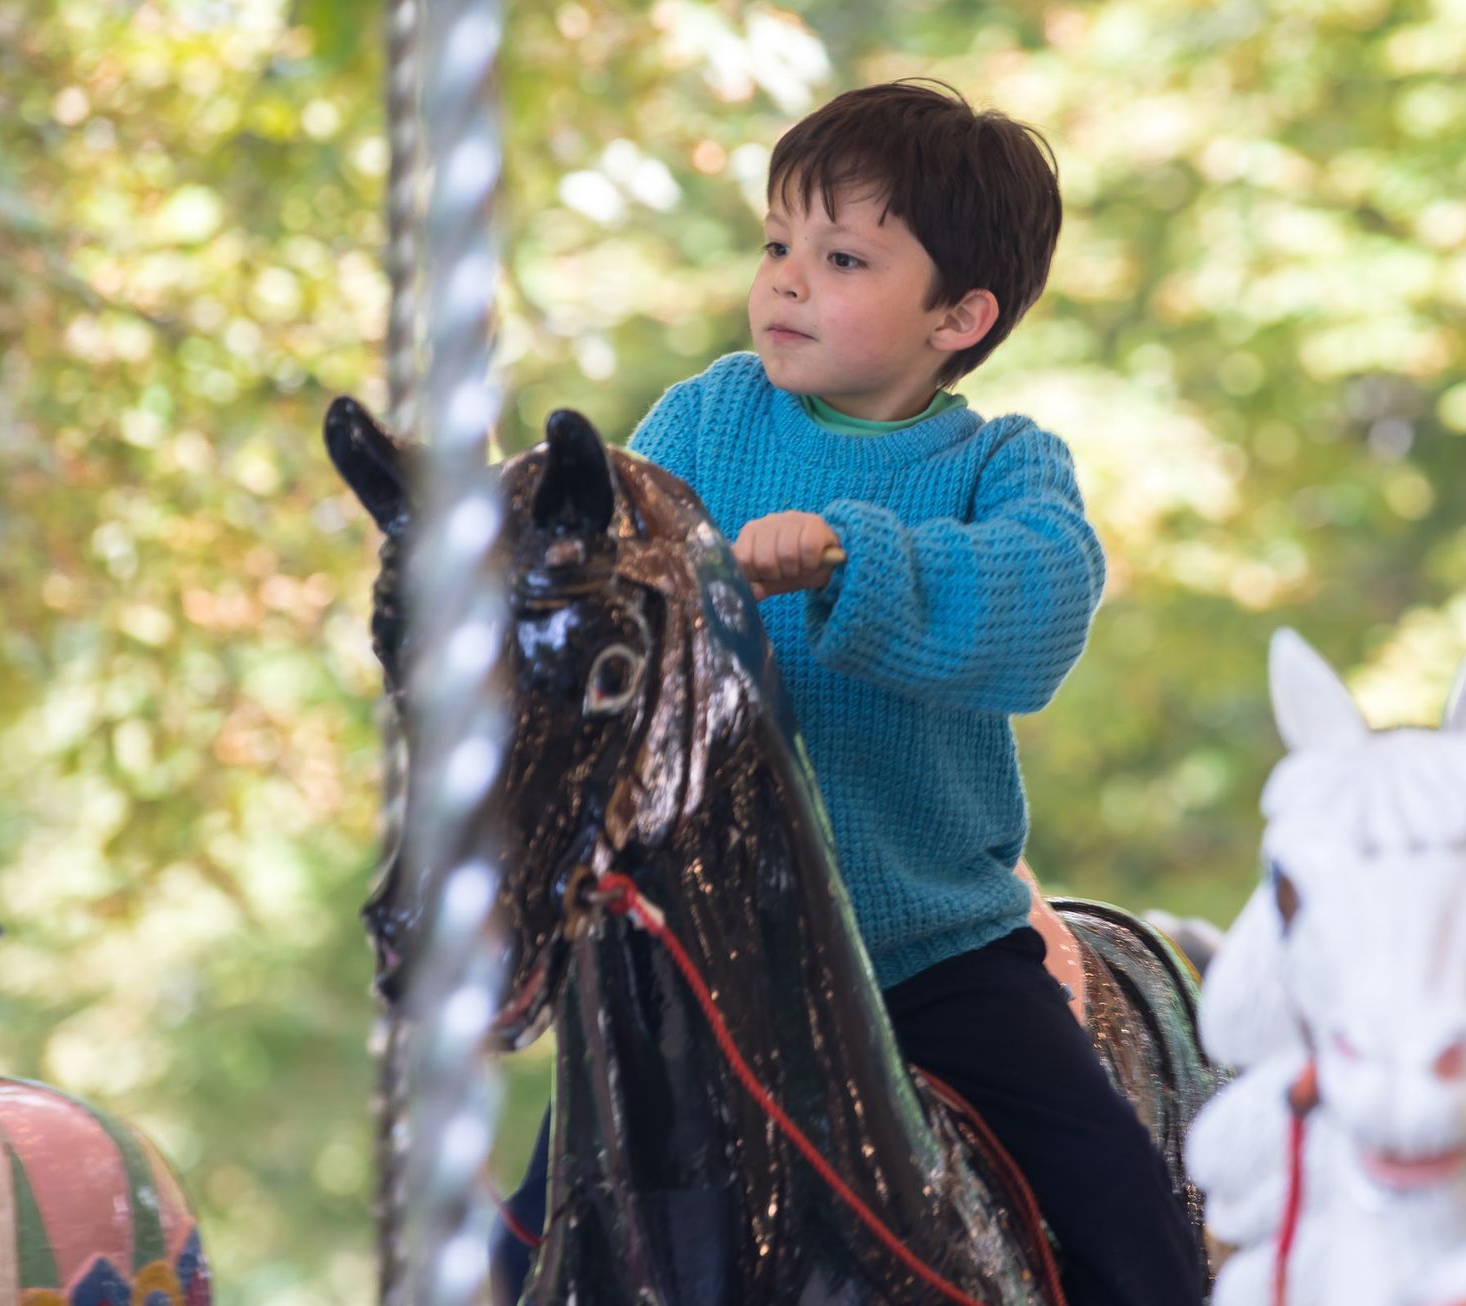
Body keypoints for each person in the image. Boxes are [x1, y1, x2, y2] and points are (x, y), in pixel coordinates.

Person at [491, 78, 1207, 1305]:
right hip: (714, 964)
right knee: (524, 1245)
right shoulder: (707, 419)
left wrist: (849, 556)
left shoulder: (998, 466)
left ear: (958, 315)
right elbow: (616, 571)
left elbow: (1040, 605)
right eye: (776, 243)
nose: (785, 278)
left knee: (1125, 1211)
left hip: (932, 958)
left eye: (841, 256)